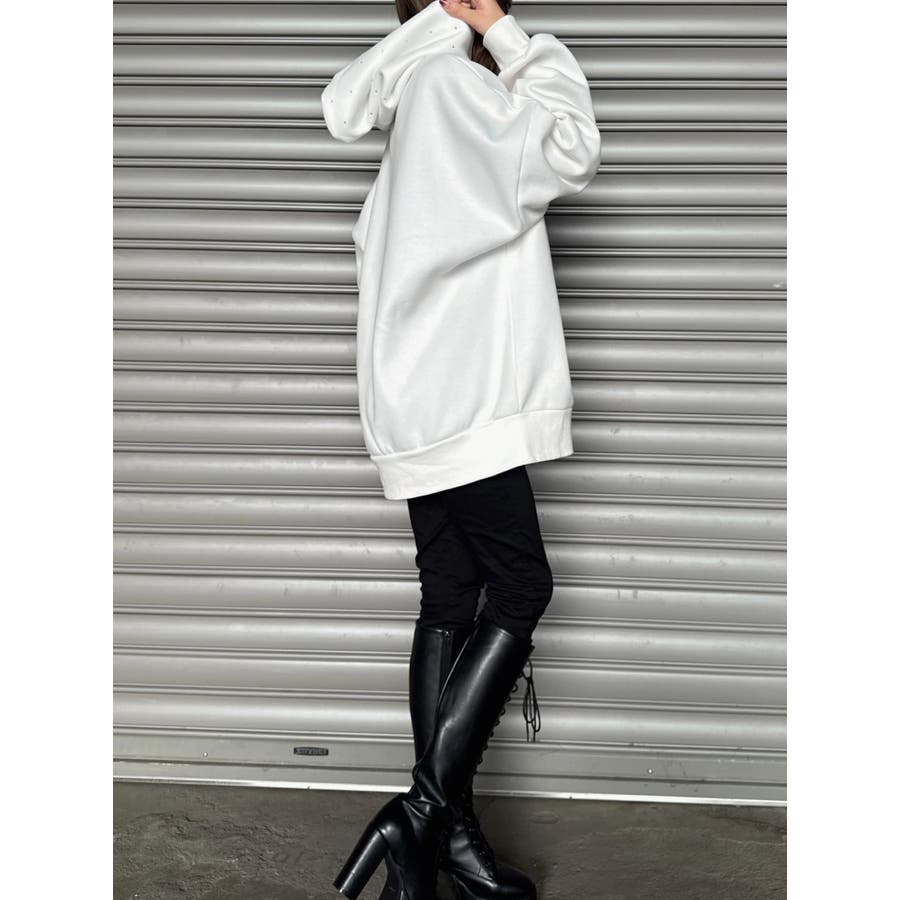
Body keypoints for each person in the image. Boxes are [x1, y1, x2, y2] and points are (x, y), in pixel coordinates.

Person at [321, 0, 601, 896]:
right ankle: (420, 812)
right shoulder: (454, 88)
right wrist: (509, 39)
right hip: (465, 398)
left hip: (421, 394)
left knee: (449, 594)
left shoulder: (417, 97)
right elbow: (572, 148)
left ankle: (444, 841)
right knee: (522, 588)